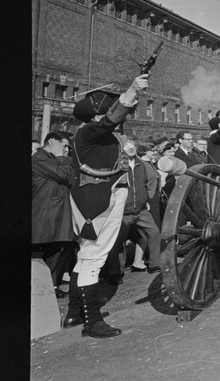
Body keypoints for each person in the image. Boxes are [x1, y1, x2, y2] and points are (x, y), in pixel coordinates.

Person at [65, 74, 149, 337]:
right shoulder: (91, 132)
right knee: (94, 257)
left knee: (86, 255)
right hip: (99, 202)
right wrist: (132, 90)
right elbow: (111, 119)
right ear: (96, 116)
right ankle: (92, 322)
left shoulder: (96, 135)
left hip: (99, 198)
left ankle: (74, 313)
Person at [31, 131, 77, 296]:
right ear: (51, 141)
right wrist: (61, 156)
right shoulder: (39, 159)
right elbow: (64, 174)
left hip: (56, 219)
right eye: (64, 146)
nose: (66, 150)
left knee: (54, 254)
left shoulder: (57, 160)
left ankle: (50, 289)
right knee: (39, 257)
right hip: (43, 218)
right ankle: (39, 291)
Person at [108, 138, 161, 275]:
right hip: (123, 210)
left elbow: (151, 179)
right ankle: (116, 273)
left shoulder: (141, 165)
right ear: (121, 148)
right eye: (126, 145)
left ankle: (155, 264)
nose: (131, 147)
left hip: (141, 209)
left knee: (154, 232)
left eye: (133, 145)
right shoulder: (116, 164)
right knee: (119, 242)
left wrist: (146, 198)